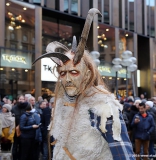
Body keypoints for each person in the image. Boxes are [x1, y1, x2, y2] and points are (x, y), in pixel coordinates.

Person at [33, 8, 134, 160]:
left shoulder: (103, 106)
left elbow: (123, 154)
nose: (67, 79)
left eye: (74, 72)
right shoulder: (60, 105)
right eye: (63, 73)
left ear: (87, 74)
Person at [11, 95, 28, 160]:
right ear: (18, 100)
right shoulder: (14, 108)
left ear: (24, 100)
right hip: (15, 130)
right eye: (20, 99)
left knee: (22, 147)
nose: (21, 100)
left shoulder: (27, 107)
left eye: (22, 99)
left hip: (24, 131)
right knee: (15, 146)